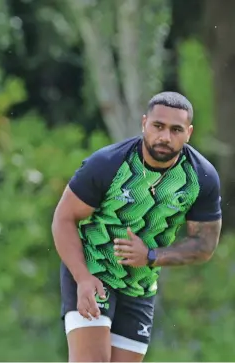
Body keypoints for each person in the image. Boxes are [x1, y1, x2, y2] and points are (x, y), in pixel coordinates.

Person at [52, 91, 222, 362]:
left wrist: (151, 256)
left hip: (141, 286)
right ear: (144, 123)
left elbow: (205, 245)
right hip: (94, 272)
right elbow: (63, 218)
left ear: (189, 132)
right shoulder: (108, 163)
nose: (165, 137)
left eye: (176, 129)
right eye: (158, 126)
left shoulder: (201, 177)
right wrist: (82, 277)